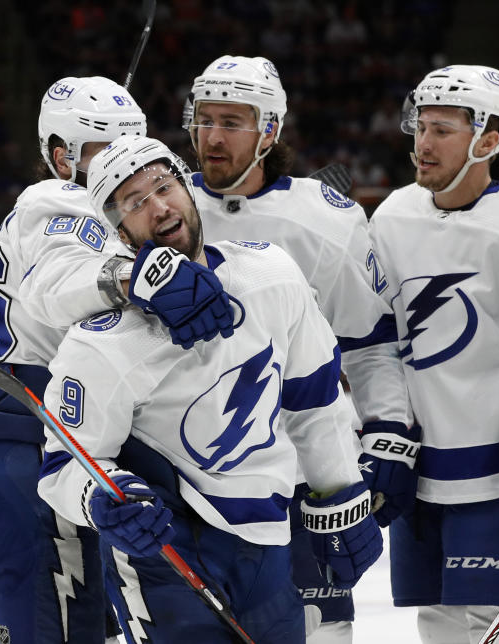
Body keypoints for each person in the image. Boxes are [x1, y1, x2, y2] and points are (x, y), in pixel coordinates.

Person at [37, 135, 383, 644]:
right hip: (166, 555)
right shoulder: (102, 343)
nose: (158, 207)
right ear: (119, 232)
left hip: (269, 540)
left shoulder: (271, 273)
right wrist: (102, 500)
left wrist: (341, 494)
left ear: (187, 186)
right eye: (134, 203)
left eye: (163, 186)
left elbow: (314, 401)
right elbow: (62, 466)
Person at [182, 54, 414, 643]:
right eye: (203, 119)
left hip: (296, 475)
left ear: (270, 131)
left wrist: (387, 426)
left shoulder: (323, 221)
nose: (212, 136)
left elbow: (369, 345)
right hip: (184, 474)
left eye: (232, 122)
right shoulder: (165, 207)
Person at [0, 75, 149, 643]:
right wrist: (141, 276)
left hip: (18, 450)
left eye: (136, 149)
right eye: (108, 152)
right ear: (62, 157)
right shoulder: (60, 200)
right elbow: (71, 278)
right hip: (26, 454)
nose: (125, 166)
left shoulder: (79, 210)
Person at [367, 65, 499, 644]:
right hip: (422, 467)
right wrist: (387, 434)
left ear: (488, 138)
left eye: (442, 130)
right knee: (439, 621)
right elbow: (378, 341)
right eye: (420, 127)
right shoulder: (394, 217)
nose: (422, 145)